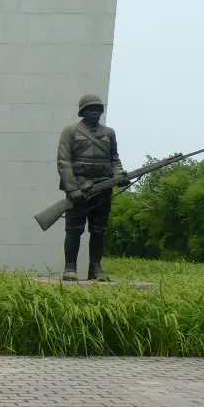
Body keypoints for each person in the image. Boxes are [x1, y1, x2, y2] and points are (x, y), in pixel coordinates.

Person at [56, 94, 129, 281]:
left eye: (98, 109)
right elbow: (64, 162)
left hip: (103, 188)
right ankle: (70, 267)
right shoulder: (70, 132)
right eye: (90, 109)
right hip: (80, 188)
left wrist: (119, 175)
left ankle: (96, 269)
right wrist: (72, 189)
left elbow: (115, 160)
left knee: (98, 229)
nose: (95, 113)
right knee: (74, 229)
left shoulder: (109, 133)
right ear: (83, 111)